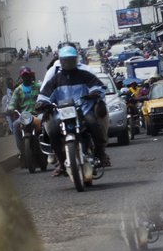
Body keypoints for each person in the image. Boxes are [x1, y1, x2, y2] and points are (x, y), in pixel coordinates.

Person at [35, 46, 108, 176]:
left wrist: (94, 93)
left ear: (76, 60)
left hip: (83, 111)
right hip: (61, 114)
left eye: (71, 60)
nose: (68, 63)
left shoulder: (85, 75)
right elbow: (44, 95)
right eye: (65, 60)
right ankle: (61, 161)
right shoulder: (55, 79)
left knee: (93, 124)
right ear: (61, 61)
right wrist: (43, 104)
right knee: (51, 131)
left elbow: (98, 86)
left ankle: (100, 153)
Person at [8, 67, 40, 156]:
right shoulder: (18, 90)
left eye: (27, 75)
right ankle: (21, 150)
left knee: (45, 124)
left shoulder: (38, 86)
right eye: (24, 76)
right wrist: (10, 108)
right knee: (15, 125)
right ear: (21, 77)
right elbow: (13, 102)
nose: (26, 77)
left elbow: (45, 96)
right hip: (24, 116)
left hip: (37, 115)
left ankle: (50, 149)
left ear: (31, 75)